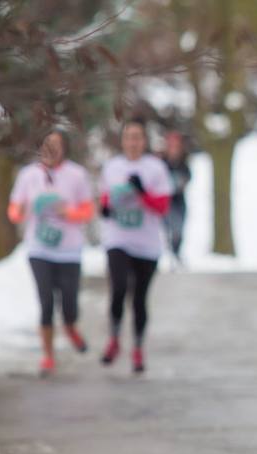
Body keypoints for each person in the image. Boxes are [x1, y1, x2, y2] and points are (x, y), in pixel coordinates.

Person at [8, 129, 95, 377]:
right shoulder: (28, 175)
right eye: (47, 144)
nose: (52, 149)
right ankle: (48, 356)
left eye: (57, 145)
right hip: (39, 249)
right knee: (46, 302)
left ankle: (70, 327)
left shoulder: (77, 175)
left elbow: (88, 211)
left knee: (69, 303)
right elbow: (14, 208)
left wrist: (68, 213)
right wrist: (22, 212)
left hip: (69, 251)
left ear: (64, 148)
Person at [98, 117, 173, 374]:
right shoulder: (112, 167)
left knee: (139, 298)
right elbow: (104, 199)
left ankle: (138, 348)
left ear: (145, 141)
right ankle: (114, 339)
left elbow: (163, 207)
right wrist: (106, 207)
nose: (133, 142)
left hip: (147, 244)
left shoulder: (156, 168)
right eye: (129, 137)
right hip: (118, 239)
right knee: (118, 288)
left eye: (138, 137)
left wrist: (142, 193)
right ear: (122, 140)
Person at [162, 129, 192, 265]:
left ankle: (176, 252)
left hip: (179, 201)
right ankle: (170, 254)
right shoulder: (162, 163)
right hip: (166, 202)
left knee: (179, 229)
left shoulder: (183, 163)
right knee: (169, 229)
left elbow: (187, 179)